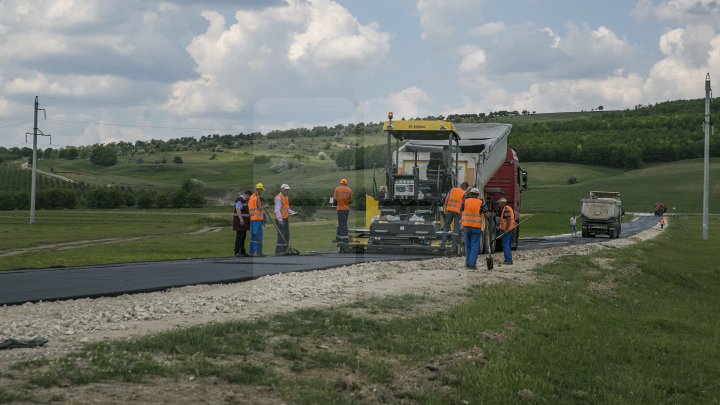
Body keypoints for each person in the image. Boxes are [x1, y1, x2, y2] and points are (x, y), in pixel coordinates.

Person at [461, 188, 489, 269]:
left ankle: (467, 264)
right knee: (474, 245)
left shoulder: (465, 201)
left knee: (467, 246)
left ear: (470, 193)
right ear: (477, 195)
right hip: (476, 227)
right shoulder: (481, 203)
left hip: (466, 226)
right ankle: (472, 265)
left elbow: (460, 211)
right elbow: (487, 215)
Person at [441, 181, 469, 249]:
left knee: (446, 226)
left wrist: (445, 207)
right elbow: (465, 203)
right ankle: (454, 244)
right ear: (465, 187)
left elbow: (447, 198)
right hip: (458, 212)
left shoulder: (452, 190)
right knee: (456, 228)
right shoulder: (464, 193)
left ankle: (443, 243)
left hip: (449, 210)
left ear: (461, 185)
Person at [273, 184, 296, 255]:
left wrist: (293, 213)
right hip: (280, 219)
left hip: (285, 218)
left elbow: (287, 209)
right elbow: (277, 210)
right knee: (281, 235)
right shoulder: (278, 198)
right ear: (281, 189)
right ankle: (279, 251)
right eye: (285, 189)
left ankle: (285, 250)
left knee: (286, 235)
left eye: (288, 189)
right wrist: (280, 220)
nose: (287, 191)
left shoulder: (286, 198)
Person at [248, 183, 267, 257]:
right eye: (261, 190)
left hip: (252, 219)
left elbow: (255, 206)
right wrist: (265, 206)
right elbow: (259, 208)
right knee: (259, 236)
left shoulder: (252, 197)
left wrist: (261, 204)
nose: (261, 191)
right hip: (258, 219)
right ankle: (259, 252)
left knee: (253, 236)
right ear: (259, 190)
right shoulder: (257, 197)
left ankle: (252, 252)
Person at [333, 178, 353, 243]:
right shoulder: (349, 189)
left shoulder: (337, 189)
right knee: (341, 224)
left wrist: (336, 203)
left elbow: (335, 199)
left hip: (340, 209)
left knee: (342, 224)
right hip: (346, 209)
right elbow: (351, 201)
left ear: (340, 183)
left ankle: (344, 239)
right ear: (346, 183)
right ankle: (338, 238)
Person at [497, 197, 515, 265]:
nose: (499, 204)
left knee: (505, 245)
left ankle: (507, 260)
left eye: (499, 203)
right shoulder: (509, 208)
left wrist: (506, 230)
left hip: (507, 230)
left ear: (503, 203)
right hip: (511, 229)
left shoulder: (506, 209)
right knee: (508, 245)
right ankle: (509, 259)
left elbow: (508, 219)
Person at [233, 190, 252, 257]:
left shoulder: (244, 200)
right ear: (247, 195)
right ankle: (237, 252)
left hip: (244, 222)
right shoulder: (240, 200)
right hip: (240, 221)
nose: (249, 199)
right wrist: (241, 219)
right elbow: (238, 210)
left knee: (243, 237)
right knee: (239, 237)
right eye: (249, 197)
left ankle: (242, 251)